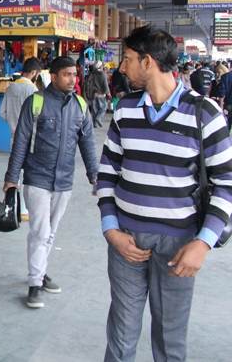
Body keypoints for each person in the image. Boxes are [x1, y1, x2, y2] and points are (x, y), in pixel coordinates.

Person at [96, 26, 232, 362]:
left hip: (179, 245)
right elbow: (107, 172)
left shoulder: (204, 113)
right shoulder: (125, 109)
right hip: (126, 240)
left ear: (148, 61)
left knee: (170, 339)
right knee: (120, 334)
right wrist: (111, 230)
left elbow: (227, 183)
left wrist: (203, 243)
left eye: (127, 59)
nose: (121, 68)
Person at [3, 56, 99, 309]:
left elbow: (87, 142)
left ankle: (41, 270)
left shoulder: (80, 105)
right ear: (53, 77)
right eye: (66, 74)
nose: (72, 79)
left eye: (74, 74)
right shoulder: (35, 103)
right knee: (40, 231)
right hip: (37, 178)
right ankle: (35, 283)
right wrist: (12, 178)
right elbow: (21, 141)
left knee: (51, 232)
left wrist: (95, 175)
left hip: (64, 181)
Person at [0, 58, 41, 138]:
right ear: (34, 72)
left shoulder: (10, 88)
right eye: (38, 75)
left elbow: (2, 113)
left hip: (14, 136)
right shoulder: (35, 90)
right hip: (28, 137)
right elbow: (38, 115)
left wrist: (13, 123)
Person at [84, 62, 110, 128]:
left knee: (94, 110)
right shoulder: (102, 74)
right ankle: (98, 119)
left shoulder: (92, 74)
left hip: (94, 94)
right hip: (101, 94)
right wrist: (108, 92)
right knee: (103, 108)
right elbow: (105, 84)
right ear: (100, 66)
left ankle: (94, 124)